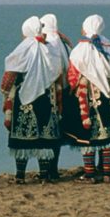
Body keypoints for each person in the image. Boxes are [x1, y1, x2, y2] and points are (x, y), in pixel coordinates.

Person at [1, 16, 63, 184]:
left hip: (24, 100)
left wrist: (5, 93)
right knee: (44, 138)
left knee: (23, 139)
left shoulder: (22, 51)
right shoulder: (50, 51)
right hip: (46, 99)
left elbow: (10, 75)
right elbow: (58, 73)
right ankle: (44, 174)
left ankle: (20, 176)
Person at [64, 14, 110, 184]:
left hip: (89, 94)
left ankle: (89, 174)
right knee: (106, 135)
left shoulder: (81, 48)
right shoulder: (109, 46)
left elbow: (73, 74)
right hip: (109, 94)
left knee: (88, 135)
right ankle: (107, 173)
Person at [40, 13, 73, 181]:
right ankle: (54, 169)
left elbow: (52, 68)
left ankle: (46, 170)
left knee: (47, 132)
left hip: (51, 93)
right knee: (58, 134)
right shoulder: (62, 42)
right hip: (66, 92)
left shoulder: (49, 43)